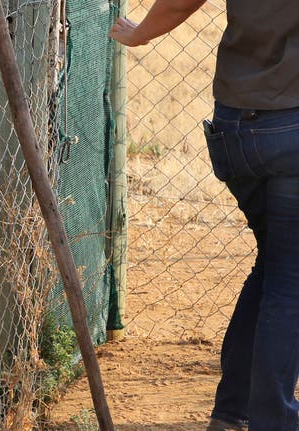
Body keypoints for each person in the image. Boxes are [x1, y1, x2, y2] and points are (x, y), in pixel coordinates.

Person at [110, 1, 299, 431]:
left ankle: (232, 412)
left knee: (275, 265)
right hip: (292, 131)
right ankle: (274, 421)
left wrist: (140, 34)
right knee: (290, 281)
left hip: (233, 130)